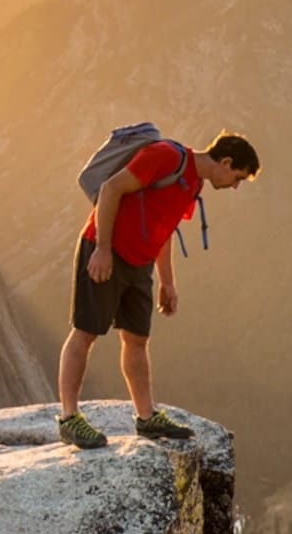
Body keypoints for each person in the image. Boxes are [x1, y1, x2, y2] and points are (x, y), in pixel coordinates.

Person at [56, 130, 260, 447]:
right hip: (106, 249)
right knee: (86, 331)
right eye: (237, 178)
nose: (235, 186)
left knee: (137, 339)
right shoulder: (166, 157)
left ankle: (147, 418)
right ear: (226, 161)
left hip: (140, 262)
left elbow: (164, 228)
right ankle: (69, 419)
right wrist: (103, 249)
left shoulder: (193, 183)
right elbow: (110, 189)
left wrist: (167, 282)